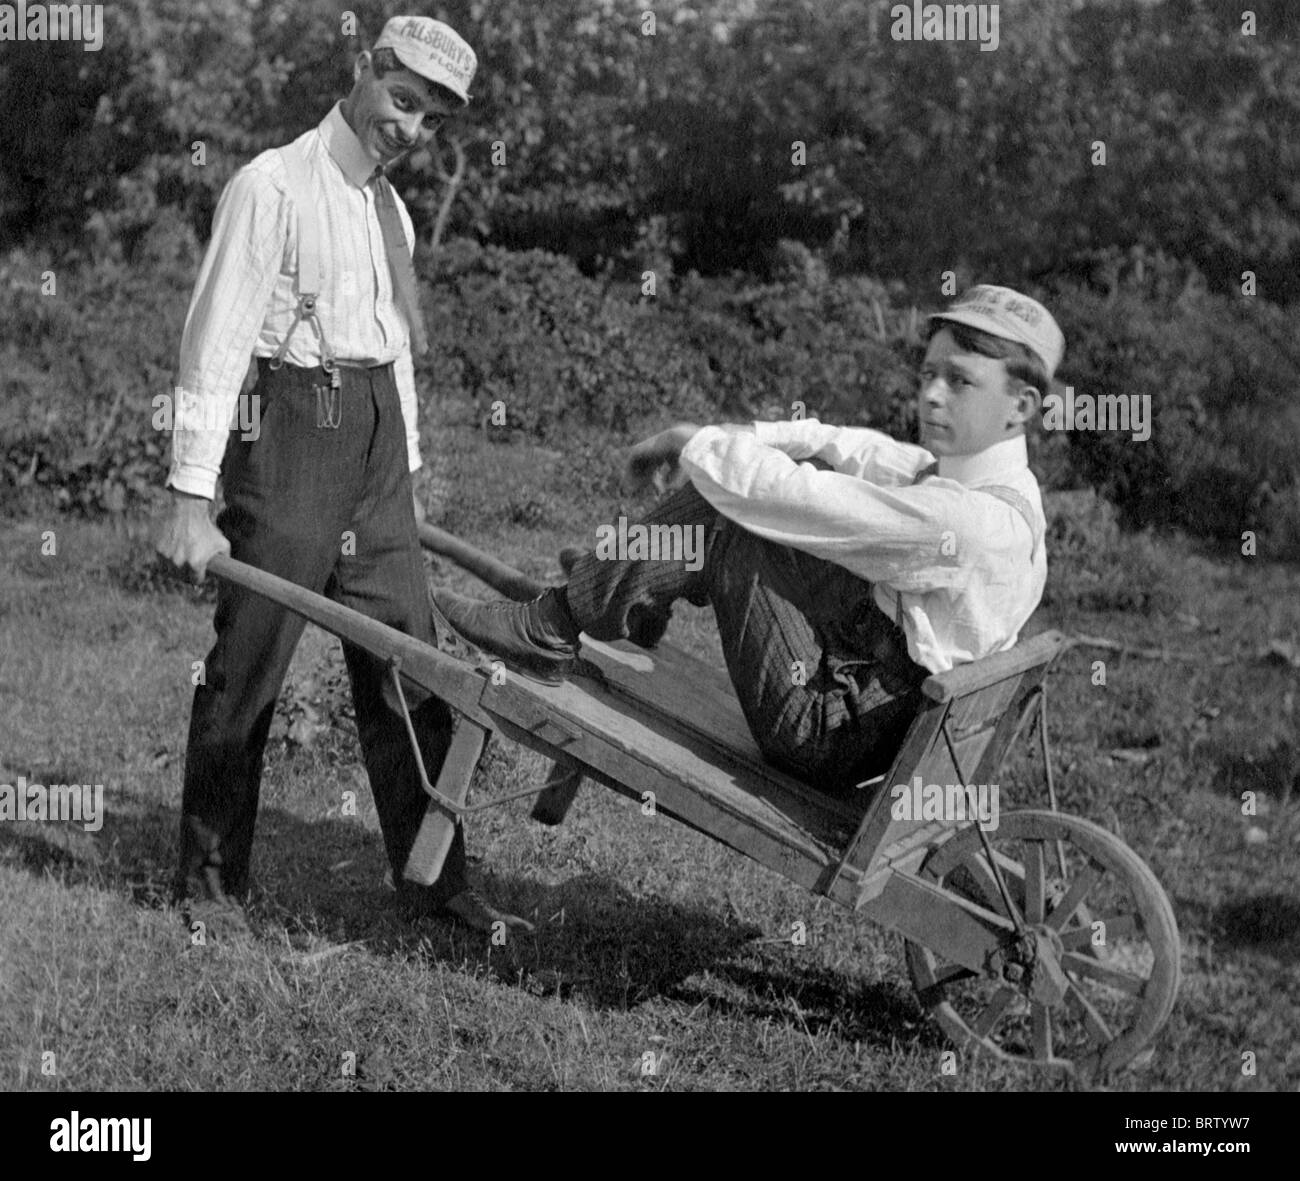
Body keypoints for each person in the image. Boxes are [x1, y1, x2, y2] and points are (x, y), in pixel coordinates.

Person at [155, 16, 532, 934]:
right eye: (403, 102)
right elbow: (216, 341)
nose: (411, 129)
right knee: (246, 664)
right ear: (362, 70)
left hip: (374, 449)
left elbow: (394, 349)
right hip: (294, 432)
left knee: (414, 666)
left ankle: (435, 885)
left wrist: (401, 474)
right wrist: (187, 494)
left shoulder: (390, 209)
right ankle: (210, 890)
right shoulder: (272, 185)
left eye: (432, 120)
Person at [433, 285, 1058, 793]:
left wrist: (697, 443)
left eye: (960, 381)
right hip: (864, 699)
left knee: (734, 511)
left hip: (822, 730)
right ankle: (637, 587)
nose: (930, 394)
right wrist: (741, 432)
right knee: (773, 484)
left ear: (1022, 406)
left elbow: (807, 504)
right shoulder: (1004, 493)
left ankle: (558, 621)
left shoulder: (967, 525)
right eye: (927, 374)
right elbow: (862, 451)